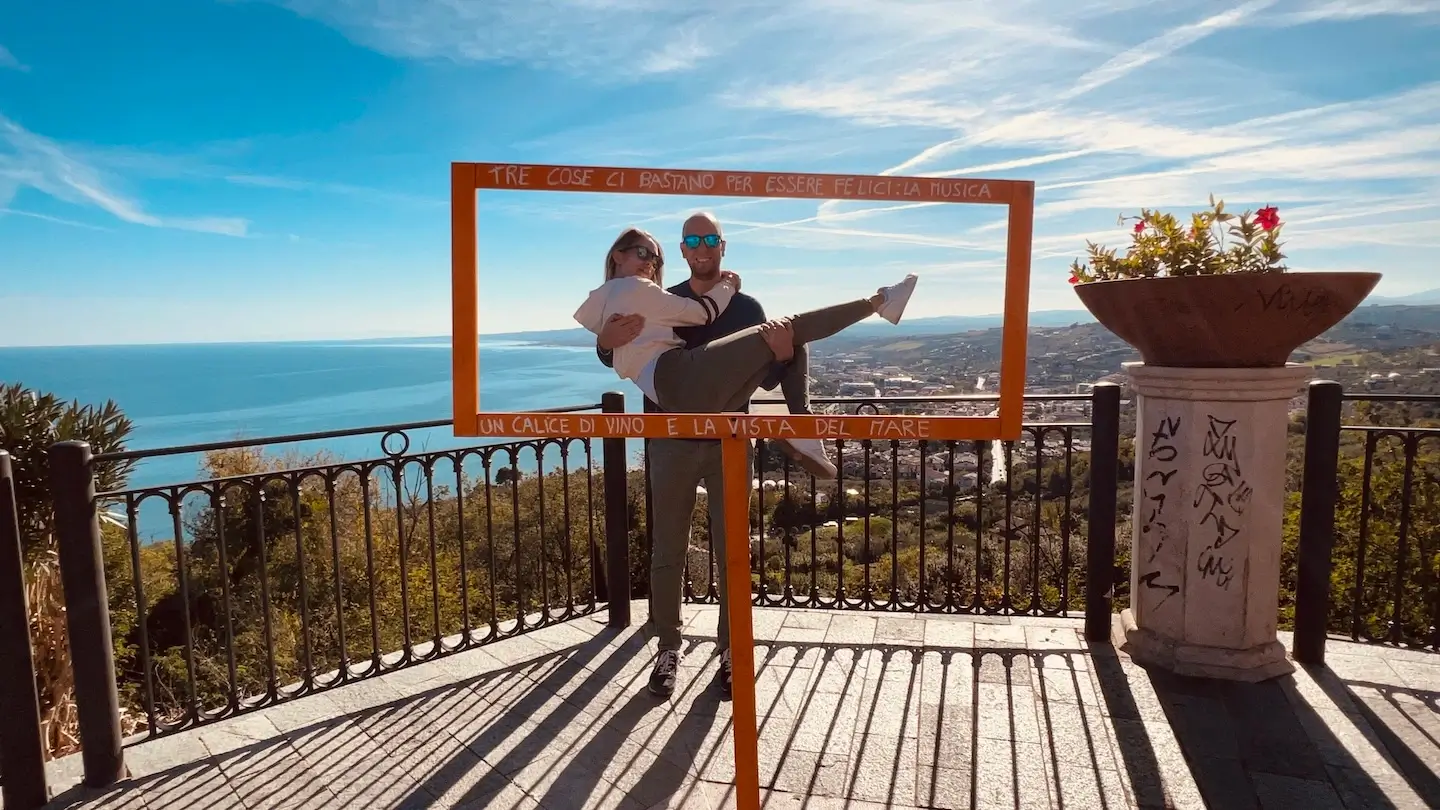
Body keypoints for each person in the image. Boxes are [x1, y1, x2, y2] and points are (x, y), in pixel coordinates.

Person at [590, 214, 916, 699]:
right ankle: (667, 649)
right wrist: (603, 341)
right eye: (691, 242)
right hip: (672, 440)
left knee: (732, 553)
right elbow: (619, 342)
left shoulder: (747, 307)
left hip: (731, 440)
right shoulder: (670, 298)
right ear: (683, 251)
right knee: (667, 551)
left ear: (723, 246)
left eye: (710, 240)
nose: (701, 249)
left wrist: (784, 355)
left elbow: (761, 378)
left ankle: (731, 650)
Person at [575, 227, 917, 477]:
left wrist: (782, 355)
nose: (650, 263)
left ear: (722, 246)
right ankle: (879, 302)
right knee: (790, 326)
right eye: (642, 252)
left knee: (788, 337)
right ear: (618, 255)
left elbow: (617, 351)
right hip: (678, 386)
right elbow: (704, 313)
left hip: (696, 407)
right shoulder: (642, 290)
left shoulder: (609, 300)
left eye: (655, 258)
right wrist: (729, 284)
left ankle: (801, 434)